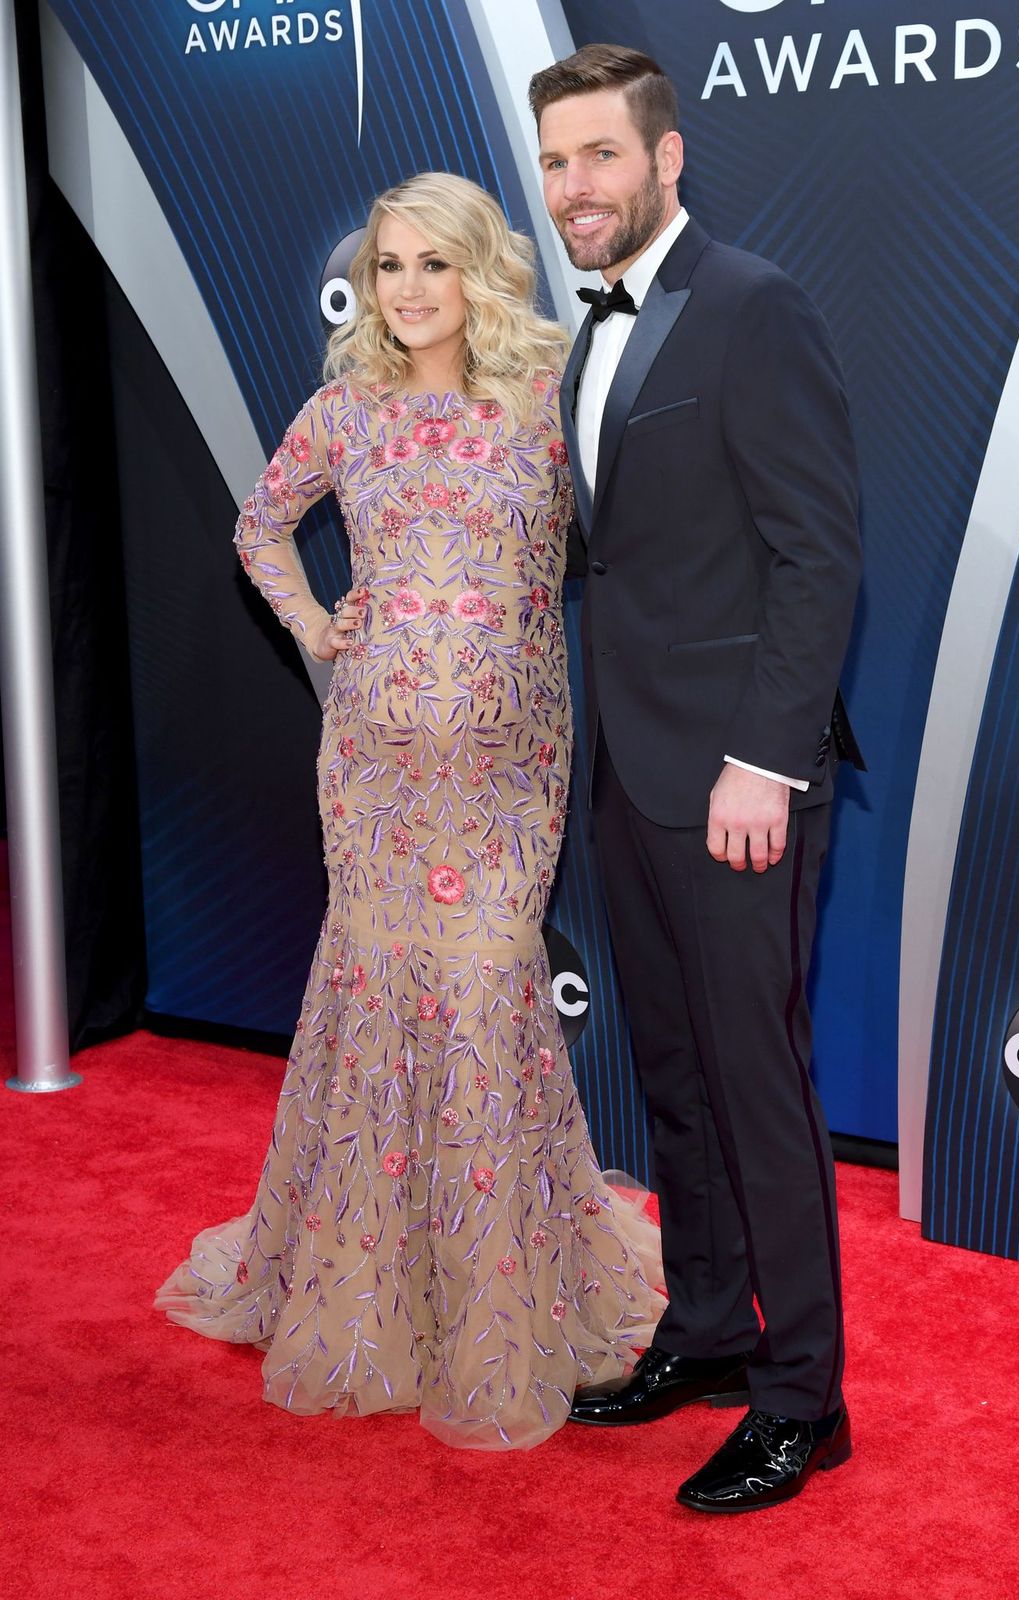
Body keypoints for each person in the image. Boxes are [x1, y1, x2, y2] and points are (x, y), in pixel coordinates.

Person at [155, 171, 663, 1450]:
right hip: (376, 760)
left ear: (480, 269)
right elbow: (259, 526)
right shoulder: (347, 409)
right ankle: (372, 1284)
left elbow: (627, 544)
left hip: (504, 766)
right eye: (389, 267)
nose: (410, 289)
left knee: (491, 990)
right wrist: (321, 626)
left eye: (435, 263)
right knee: (380, 996)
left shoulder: (548, 400)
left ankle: (503, 1293)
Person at [528, 45, 864, 1510]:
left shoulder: (750, 307)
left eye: (598, 157)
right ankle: (711, 1333)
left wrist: (760, 766)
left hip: (735, 783)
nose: (572, 188)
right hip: (628, 771)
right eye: (552, 163)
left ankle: (805, 1401)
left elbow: (817, 555)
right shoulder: (575, 332)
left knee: (756, 1089)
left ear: (665, 162)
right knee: (671, 1078)